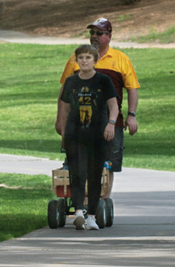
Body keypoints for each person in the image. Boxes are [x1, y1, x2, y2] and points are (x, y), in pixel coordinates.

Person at [57, 17, 139, 192]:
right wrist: (60, 121)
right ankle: (81, 199)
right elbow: (64, 92)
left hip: (111, 123)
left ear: (109, 36)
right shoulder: (77, 58)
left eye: (99, 33)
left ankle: (103, 200)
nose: (94, 36)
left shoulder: (120, 59)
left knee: (108, 164)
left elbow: (132, 88)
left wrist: (131, 115)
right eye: (92, 32)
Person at [57, 44, 118, 231]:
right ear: (76, 60)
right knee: (77, 173)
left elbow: (113, 106)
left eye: (88, 57)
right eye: (81, 57)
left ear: (95, 60)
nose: (84, 61)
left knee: (94, 174)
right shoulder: (70, 82)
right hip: (75, 134)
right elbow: (65, 109)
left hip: (98, 134)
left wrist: (111, 124)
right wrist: (63, 132)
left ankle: (91, 216)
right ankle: (78, 213)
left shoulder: (103, 81)